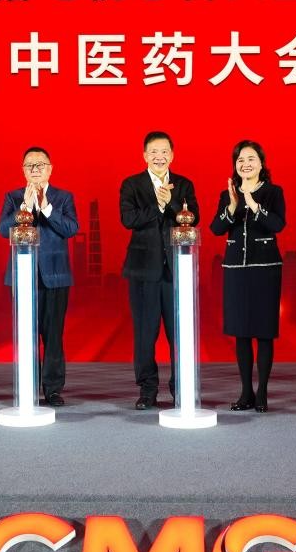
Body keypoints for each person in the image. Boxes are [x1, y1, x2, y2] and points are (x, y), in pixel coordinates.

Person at [120, 131, 199, 410]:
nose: (159, 156)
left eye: (164, 151)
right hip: (143, 271)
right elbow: (128, 219)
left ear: (172, 155)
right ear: (144, 155)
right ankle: (147, 389)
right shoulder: (132, 184)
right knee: (145, 333)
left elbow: (194, 218)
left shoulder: (184, 184)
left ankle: (181, 388)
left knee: (179, 333)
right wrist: (159, 205)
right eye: (153, 151)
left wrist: (173, 203)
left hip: (177, 271)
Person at [0, 146, 79, 407]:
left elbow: (71, 228)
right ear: (23, 170)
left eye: (40, 165)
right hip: (23, 275)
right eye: (29, 166)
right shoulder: (13, 197)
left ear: (50, 169)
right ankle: (28, 386)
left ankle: (53, 389)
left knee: (53, 336)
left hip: (56, 276)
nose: (35, 169)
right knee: (26, 334)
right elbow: (2, 230)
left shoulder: (63, 197)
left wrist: (45, 208)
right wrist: (25, 207)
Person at [210, 141, 286, 413]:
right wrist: (232, 206)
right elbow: (216, 228)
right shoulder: (228, 193)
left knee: (264, 332)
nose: (246, 164)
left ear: (261, 163)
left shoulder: (273, 192)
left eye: (251, 158)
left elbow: (278, 224)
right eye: (240, 159)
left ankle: (262, 392)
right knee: (241, 332)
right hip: (236, 270)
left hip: (266, 268)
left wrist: (253, 204)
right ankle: (246, 392)